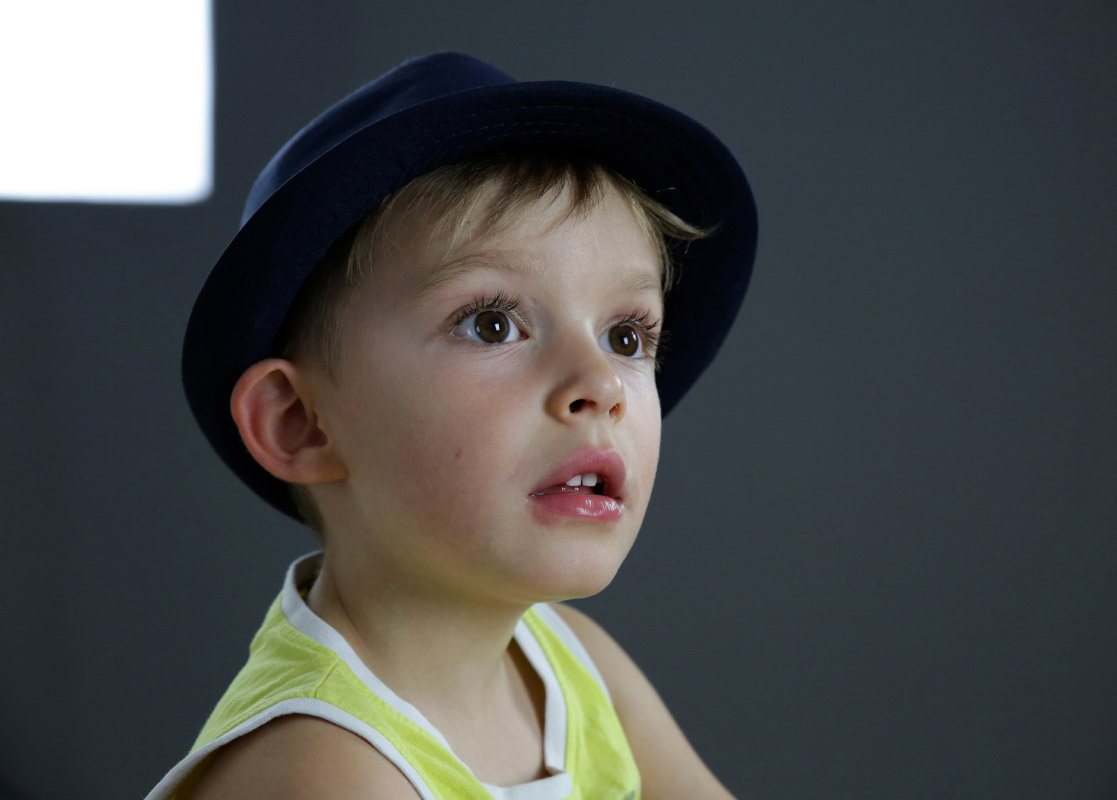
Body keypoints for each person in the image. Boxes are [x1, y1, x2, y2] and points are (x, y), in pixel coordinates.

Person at [145, 51, 756, 800]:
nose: (599, 385)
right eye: (493, 324)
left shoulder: (568, 663)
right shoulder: (321, 768)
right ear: (302, 423)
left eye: (626, 336)